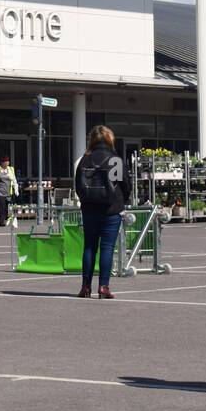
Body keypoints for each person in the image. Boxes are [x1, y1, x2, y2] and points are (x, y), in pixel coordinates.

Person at [74, 125, 129, 299]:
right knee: (107, 248)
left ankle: (85, 287)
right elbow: (126, 185)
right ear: (109, 139)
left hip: (89, 208)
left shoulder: (85, 159)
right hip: (111, 209)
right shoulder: (115, 160)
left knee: (89, 247)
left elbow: (78, 186)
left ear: (92, 140)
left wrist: (85, 201)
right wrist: (121, 202)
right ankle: (104, 287)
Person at [0, 155, 18, 227]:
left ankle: (5, 219)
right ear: (2, 162)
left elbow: (14, 180)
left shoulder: (10, 169)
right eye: (5, 162)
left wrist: (16, 189)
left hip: (8, 192)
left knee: (6, 208)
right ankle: (1, 222)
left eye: (8, 162)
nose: (7, 163)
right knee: (1, 207)